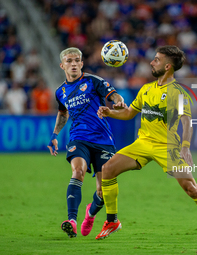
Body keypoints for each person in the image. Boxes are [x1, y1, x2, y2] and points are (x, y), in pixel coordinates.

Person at [96, 45, 197, 243]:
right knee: (107, 169)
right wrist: (110, 113)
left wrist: (185, 147)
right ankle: (112, 221)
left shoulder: (178, 93)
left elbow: (187, 122)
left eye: (157, 60)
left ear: (168, 66)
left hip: (167, 147)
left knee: (191, 189)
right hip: (143, 143)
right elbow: (128, 113)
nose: (152, 62)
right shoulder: (146, 89)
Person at [47, 47, 125, 238]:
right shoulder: (60, 92)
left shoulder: (93, 81)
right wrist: (55, 134)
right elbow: (63, 113)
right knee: (78, 171)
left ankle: (89, 214)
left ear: (82, 63)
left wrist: (119, 102)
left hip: (103, 140)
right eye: (69, 61)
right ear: (62, 65)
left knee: (103, 190)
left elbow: (114, 95)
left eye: (76, 60)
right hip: (78, 138)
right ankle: (71, 221)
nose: (73, 64)